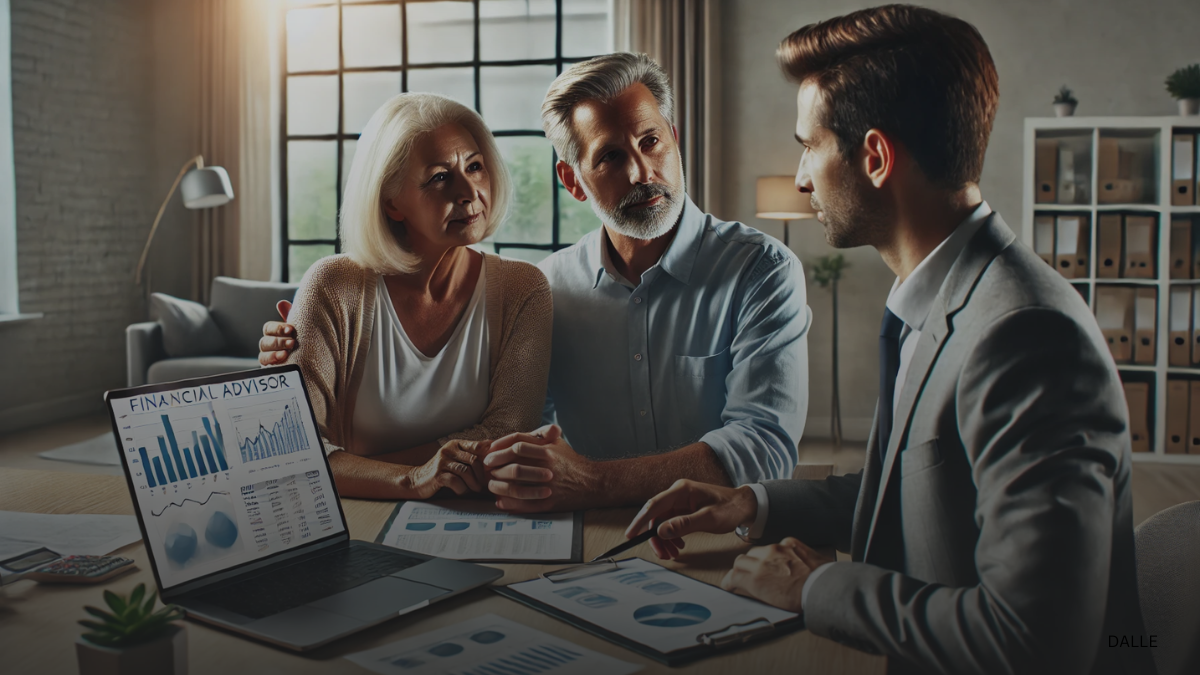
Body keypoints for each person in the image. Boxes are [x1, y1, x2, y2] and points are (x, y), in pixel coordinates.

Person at [626, 6, 1154, 675]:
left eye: (807, 144)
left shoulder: (1027, 339)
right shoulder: (940, 297)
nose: (801, 177)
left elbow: (1032, 641)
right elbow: (915, 489)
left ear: (874, 156)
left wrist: (814, 588)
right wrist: (751, 501)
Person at [262, 53, 811, 514]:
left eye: (651, 142)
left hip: (720, 527)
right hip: (576, 528)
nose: (643, 173)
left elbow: (764, 448)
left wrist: (590, 482)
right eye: (612, 157)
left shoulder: (762, 271)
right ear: (572, 180)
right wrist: (279, 384)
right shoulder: (552, 286)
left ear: (674, 136)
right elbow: (512, 446)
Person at [281, 92, 552, 501]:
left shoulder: (523, 289)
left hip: (476, 520)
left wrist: (351, 463)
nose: (469, 192)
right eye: (440, 176)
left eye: (475, 167)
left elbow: (504, 440)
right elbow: (294, 451)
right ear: (392, 202)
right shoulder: (334, 285)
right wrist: (413, 478)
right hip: (353, 520)